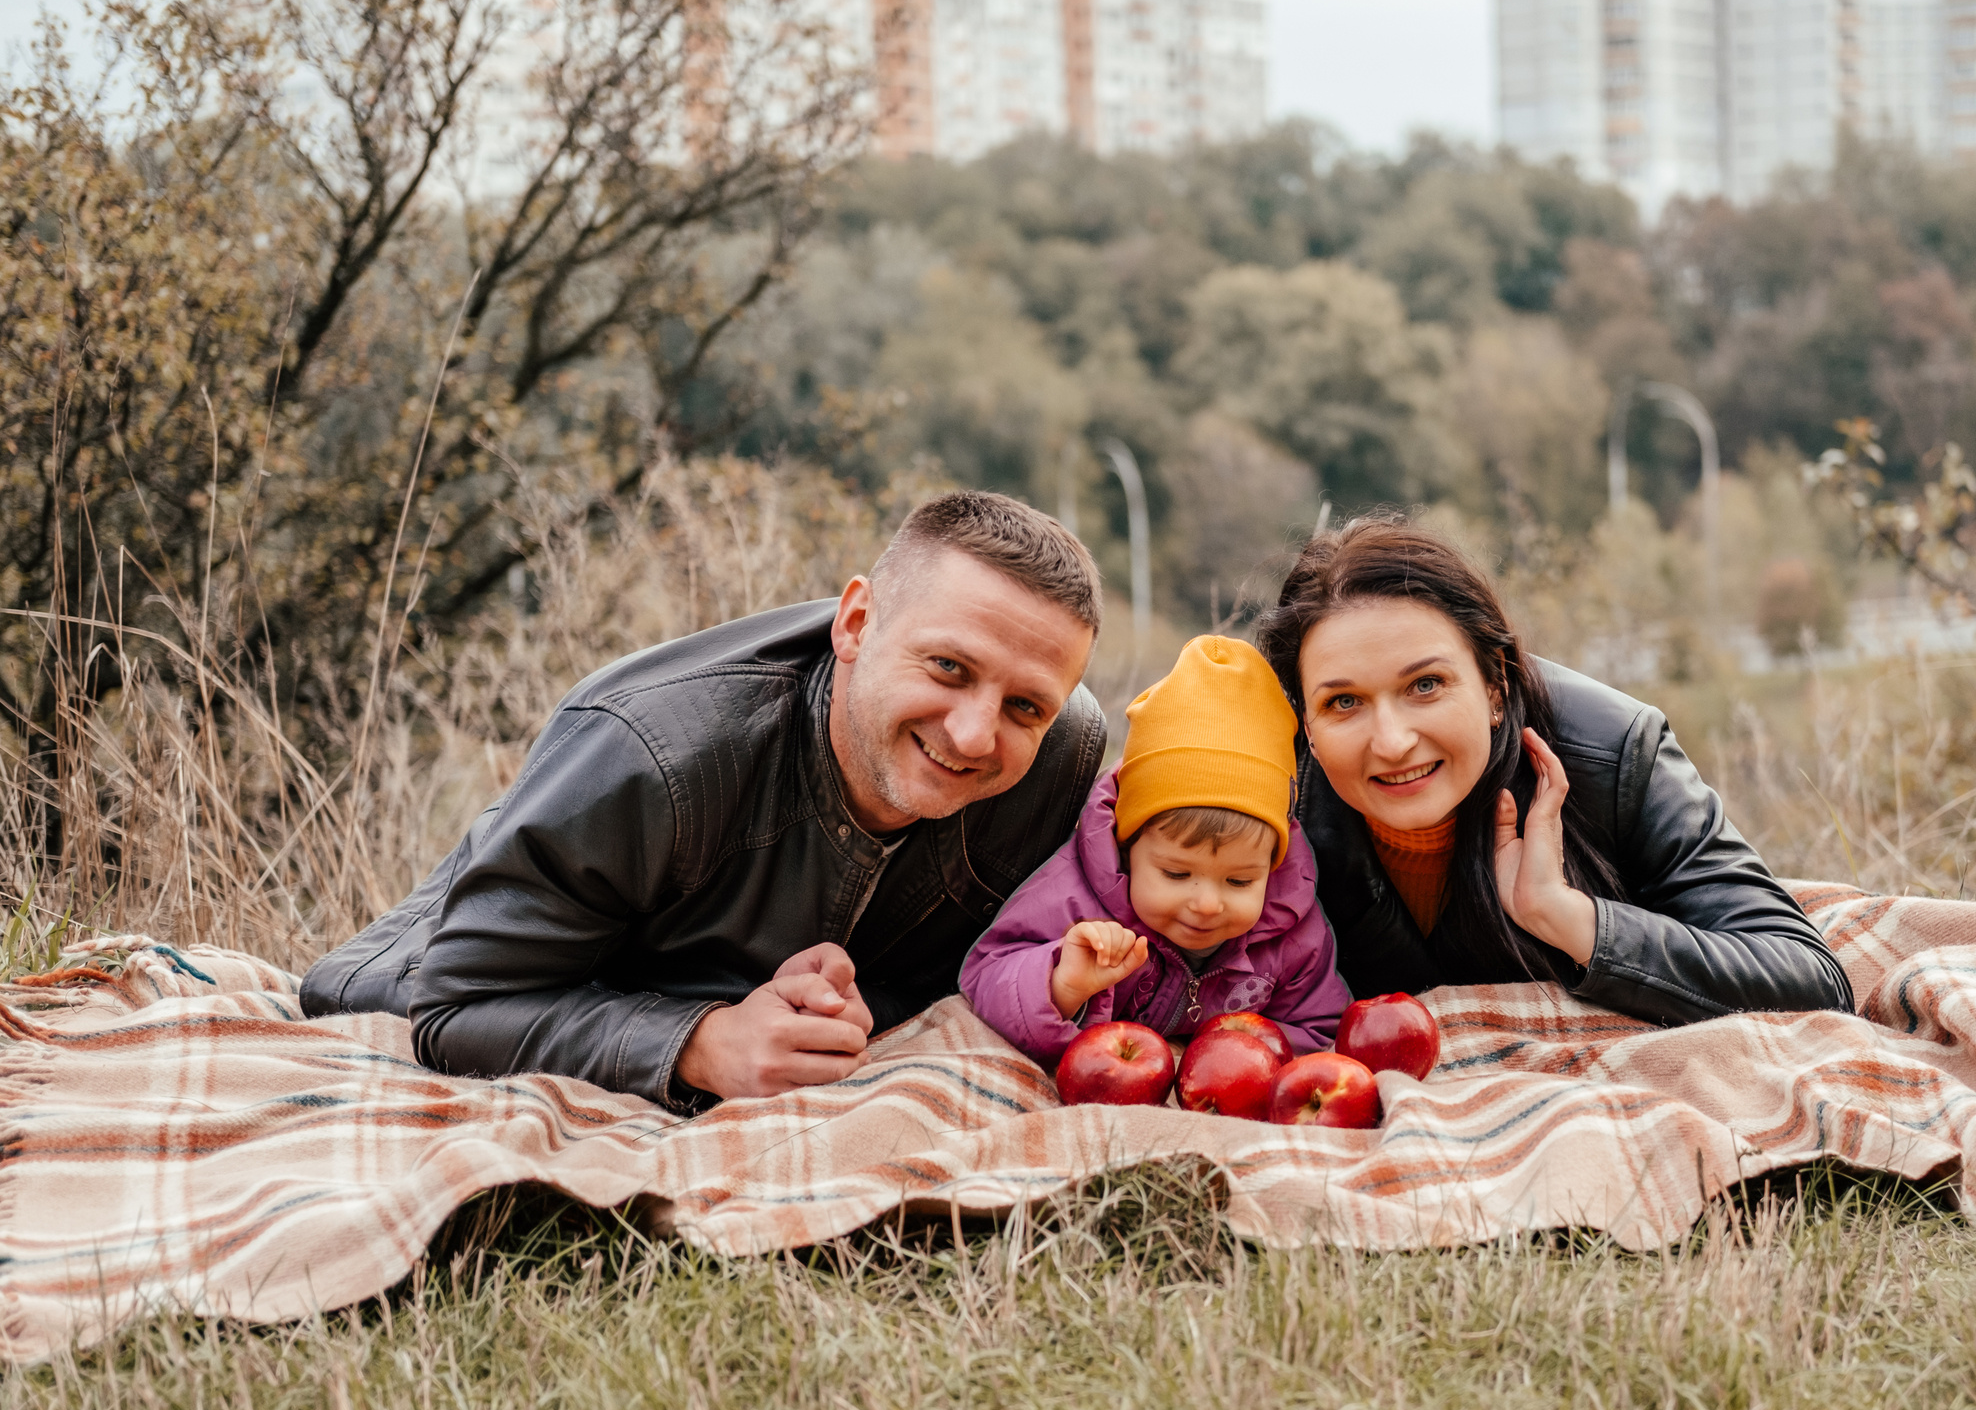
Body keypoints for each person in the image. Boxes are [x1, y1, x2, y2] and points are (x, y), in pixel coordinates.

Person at [300, 491, 1108, 1108]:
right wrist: (702, 1044)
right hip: (450, 977)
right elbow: (458, 1005)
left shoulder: (1059, 755)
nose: (974, 734)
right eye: (948, 668)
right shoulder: (652, 750)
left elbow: (989, 960)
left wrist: (851, 1003)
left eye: (1024, 707)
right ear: (857, 622)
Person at [1255, 516, 1852, 1025]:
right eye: (1344, 702)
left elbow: (1812, 979)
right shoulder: (1270, 800)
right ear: (1305, 721)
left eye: (1426, 684)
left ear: (1495, 684)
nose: (1391, 741)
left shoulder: (1616, 751)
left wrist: (1564, 915)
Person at [960, 635, 1349, 1065]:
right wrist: (1063, 985)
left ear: (1272, 867)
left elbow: (1320, 1027)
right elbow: (986, 976)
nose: (1206, 904)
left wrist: (1233, 1064)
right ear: (1127, 846)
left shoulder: (1292, 932)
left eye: (1240, 880)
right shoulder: (1073, 901)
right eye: (1177, 874)